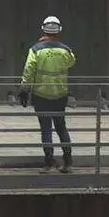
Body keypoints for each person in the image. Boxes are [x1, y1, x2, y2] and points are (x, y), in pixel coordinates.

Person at [18, 16, 77, 172]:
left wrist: (24, 88)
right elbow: (71, 62)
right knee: (61, 127)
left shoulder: (35, 50)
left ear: (43, 30)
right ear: (59, 31)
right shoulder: (66, 50)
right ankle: (68, 162)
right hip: (60, 94)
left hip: (41, 94)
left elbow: (29, 70)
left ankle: (49, 163)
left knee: (46, 129)